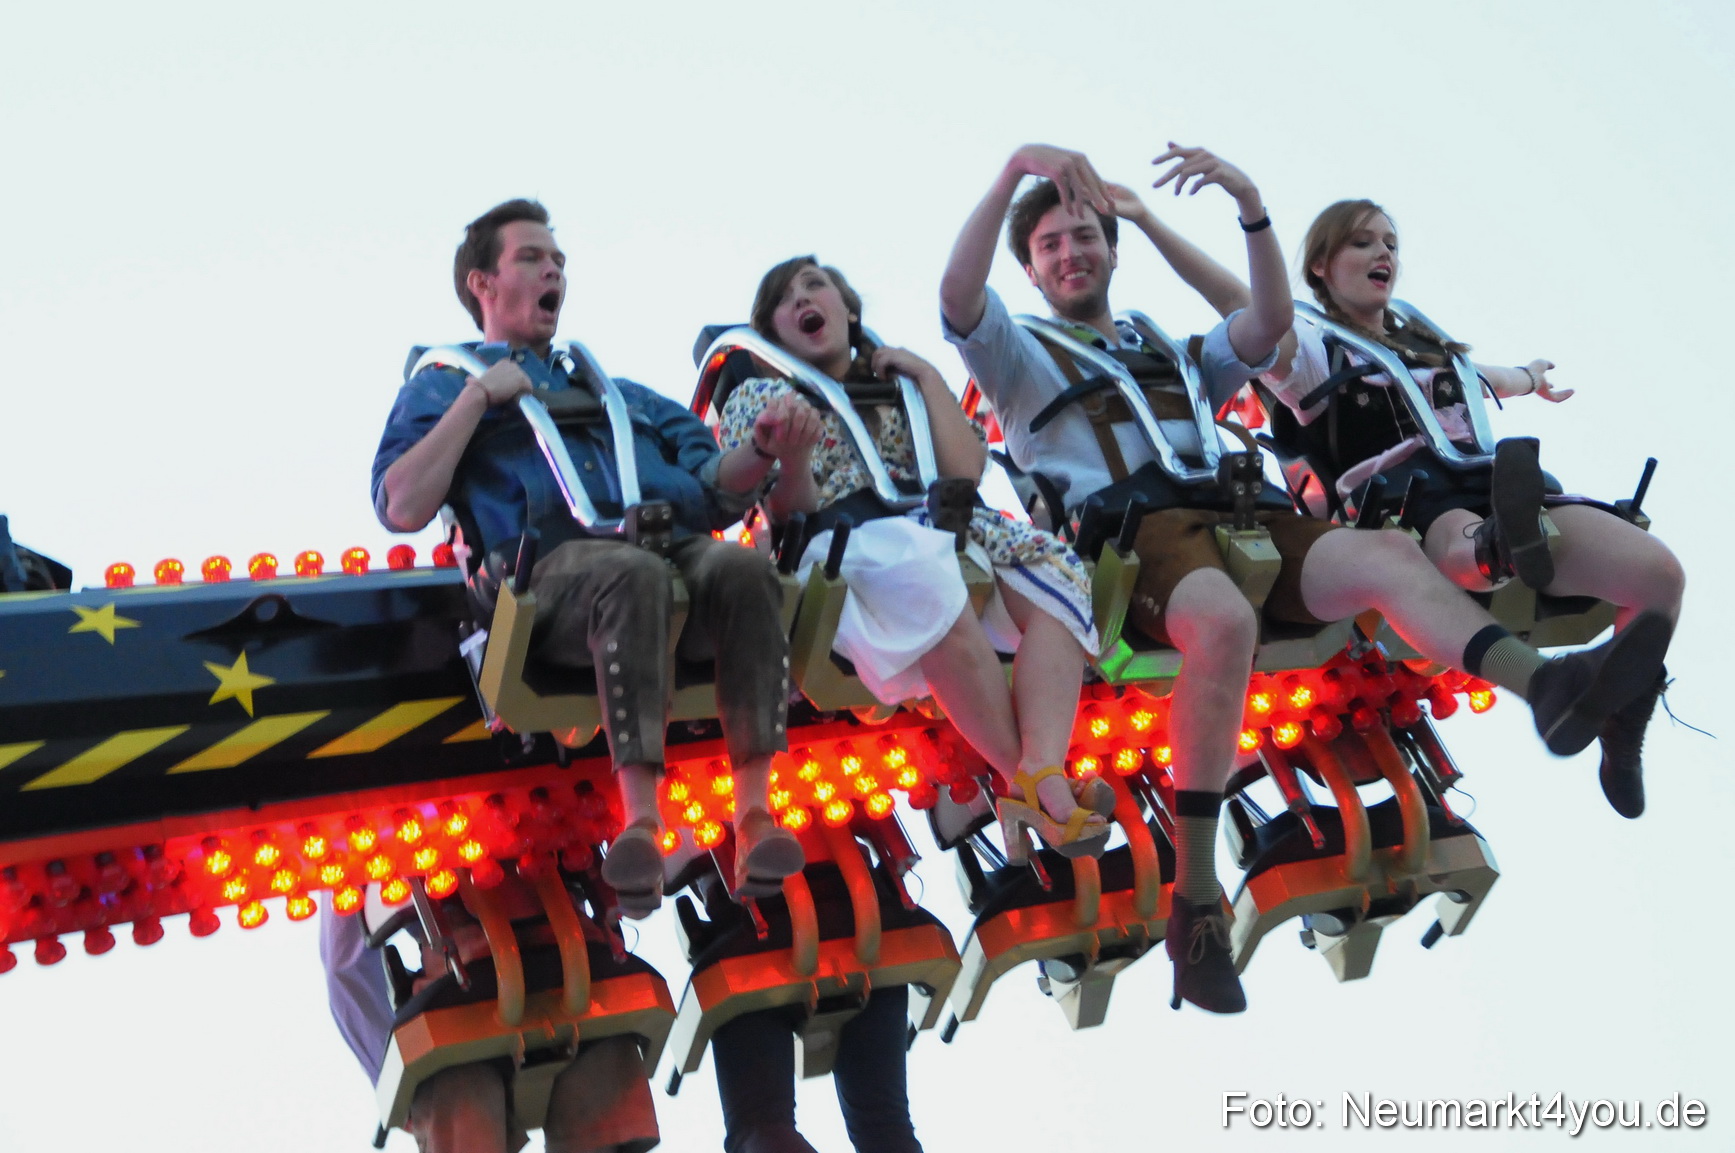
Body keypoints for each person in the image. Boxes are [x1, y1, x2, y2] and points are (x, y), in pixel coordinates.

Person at [939, 143, 1672, 1014]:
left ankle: (1546, 684)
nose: (1072, 252)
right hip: (1137, 543)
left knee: (1384, 556)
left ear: (1110, 247)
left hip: (1242, 516)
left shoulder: (1167, 347)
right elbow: (956, 300)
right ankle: (1197, 897)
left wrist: (1249, 204)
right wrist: (1010, 176)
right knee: (1223, 621)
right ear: (1030, 266)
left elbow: (1266, 323)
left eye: (1086, 235)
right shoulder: (1017, 357)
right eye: (1053, 243)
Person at [373, 198, 803, 906]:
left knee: (743, 567)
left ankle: (754, 809)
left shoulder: (618, 394)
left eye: (559, 262)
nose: (554, 272)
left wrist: (758, 449)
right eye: (532, 258)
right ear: (483, 284)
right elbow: (401, 504)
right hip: (557, 574)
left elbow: (718, 489)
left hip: (671, 549)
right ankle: (639, 821)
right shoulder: (445, 385)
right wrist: (477, 401)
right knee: (627, 575)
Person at [1252, 199, 1685, 819]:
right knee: (1457, 533)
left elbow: (1488, 377)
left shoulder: (1427, 347)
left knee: (1659, 578)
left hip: (1494, 481)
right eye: (1362, 244)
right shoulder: (1313, 355)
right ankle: (1500, 545)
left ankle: (1622, 726)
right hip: (1403, 503)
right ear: (1320, 265)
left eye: (1390, 244)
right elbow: (1259, 325)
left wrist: (1530, 377)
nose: (1384, 255)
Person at [713, 255, 1108, 858]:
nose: (802, 301)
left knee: (1055, 571)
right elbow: (787, 512)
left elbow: (965, 471)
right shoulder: (763, 395)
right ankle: (1036, 786)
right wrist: (790, 453)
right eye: (783, 302)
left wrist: (925, 376)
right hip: (846, 536)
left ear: (848, 310)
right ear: (772, 334)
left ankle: (1042, 768)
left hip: (946, 525)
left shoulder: (897, 383)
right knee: (921, 570)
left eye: (814, 287)